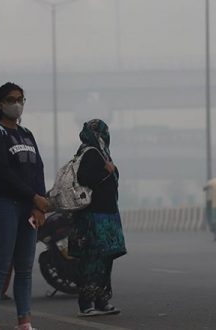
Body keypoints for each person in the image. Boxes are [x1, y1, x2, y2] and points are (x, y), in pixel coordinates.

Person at [0, 82, 49, 330]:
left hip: (28, 209)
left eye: (21, 99)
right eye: (11, 99)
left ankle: (25, 321)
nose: (17, 104)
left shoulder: (27, 134)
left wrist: (40, 205)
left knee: (25, 269)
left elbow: (38, 169)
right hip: (3, 206)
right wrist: (33, 197)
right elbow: (2, 172)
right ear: (0, 104)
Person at [70, 119, 126, 317]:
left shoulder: (102, 153)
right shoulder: (90, 152)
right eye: (103, 133)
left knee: (105, 259)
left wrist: (111, 169)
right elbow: (85, 178)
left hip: (107, 214)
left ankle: (102, 300)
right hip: (94, 216)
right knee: (91, 260)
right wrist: (107, 170)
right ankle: (86, 303)